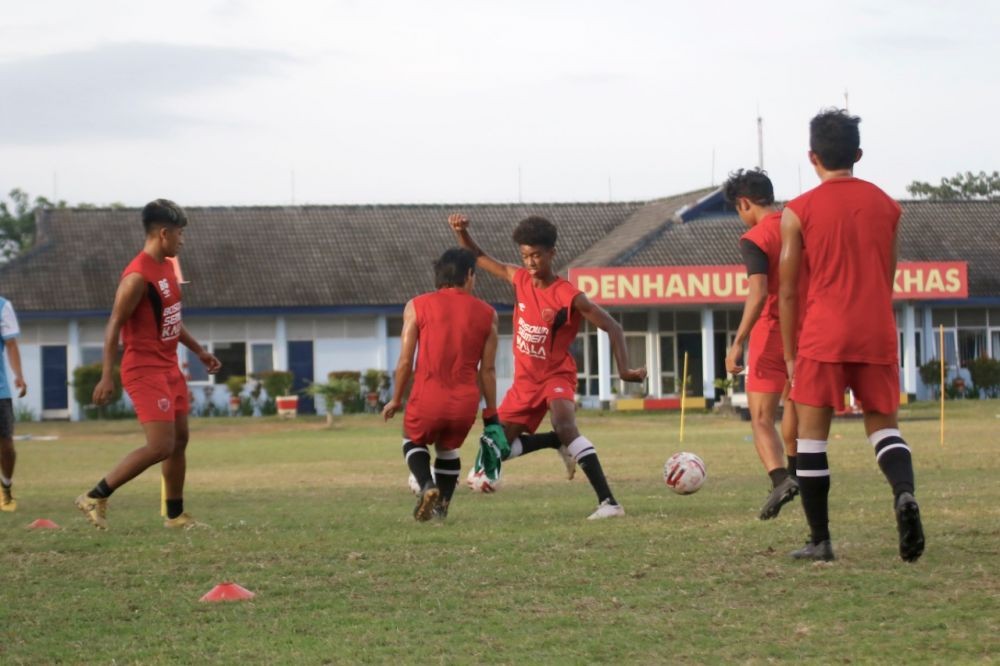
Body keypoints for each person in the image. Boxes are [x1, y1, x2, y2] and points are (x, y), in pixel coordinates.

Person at [779, 109, 924, 562]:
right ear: (858, 154)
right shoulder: (888, 205)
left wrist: (788, 354)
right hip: (876, 328)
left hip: (824, 332)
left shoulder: (798, 211)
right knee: (884, 427)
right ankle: (903, 493)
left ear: (812, 156)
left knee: (811, 438)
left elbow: (786, 291)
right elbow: (889, 273)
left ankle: (820, 540)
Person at [449, 213, 647, 519]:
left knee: (565, 424)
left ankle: (609, 503)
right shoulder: (519, 279)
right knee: (496, 451)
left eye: (536, 255)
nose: (530, 262)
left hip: (556, 375)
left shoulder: (569, 296)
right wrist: (462, 233)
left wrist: (624, 371)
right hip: (524, 383)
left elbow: (613, 327)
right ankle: (557, 442)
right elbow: (480, 258)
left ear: (552, 254)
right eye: (525, 256)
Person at [75, 199, 220, 530]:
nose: (182, 240)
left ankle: (175, 516)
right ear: (164, 233)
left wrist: (199, 351)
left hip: (170, 367)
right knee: (160, 446)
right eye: (180, 234)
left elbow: (170, 319)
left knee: (180, 440)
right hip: (144, 369)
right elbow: (114, 325)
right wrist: (106, 375)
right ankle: (95, 495)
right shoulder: (136, 276)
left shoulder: (168, 267)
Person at [382, 247, 500, 521]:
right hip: (464, 402)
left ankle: (426, 485)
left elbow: (404, 361)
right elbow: (489, 370)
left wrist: (396, 399)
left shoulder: (417, 305)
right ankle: (441, 509)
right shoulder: (488, 314)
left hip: (428, 396)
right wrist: (491, 412)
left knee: (412, 439)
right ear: (469, 275)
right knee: (448, 449)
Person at [722, 169, 799, 520]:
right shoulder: (799, 224)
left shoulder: (755, 237)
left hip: (772, 330)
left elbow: (759, 293)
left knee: (761, 417)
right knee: (795, 400)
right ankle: (798, 470)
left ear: (744, 203)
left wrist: (737, 342)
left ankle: (780, 478)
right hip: (808, 326)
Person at [0, 296, 27, 512]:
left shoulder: (3, 306)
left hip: (0, 392)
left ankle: (6, 486)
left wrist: (18, 375)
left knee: (6, 446)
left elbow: (11, 344)